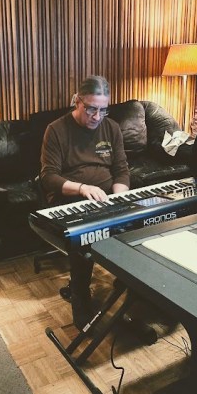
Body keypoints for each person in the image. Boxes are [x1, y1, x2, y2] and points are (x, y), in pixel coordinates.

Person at [40, 75, 130, 329]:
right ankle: (80, 295)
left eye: (103, 110)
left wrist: (120, 198)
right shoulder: (56, 130)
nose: (97, 116)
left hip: (106, 198)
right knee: (86, 237)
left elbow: (121, 170)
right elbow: (48, 177)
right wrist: (82, 188)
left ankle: (127, 290)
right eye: (91, 109)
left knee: (136, 229)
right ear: (77, 102)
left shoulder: (112, 128)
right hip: (68, 200)